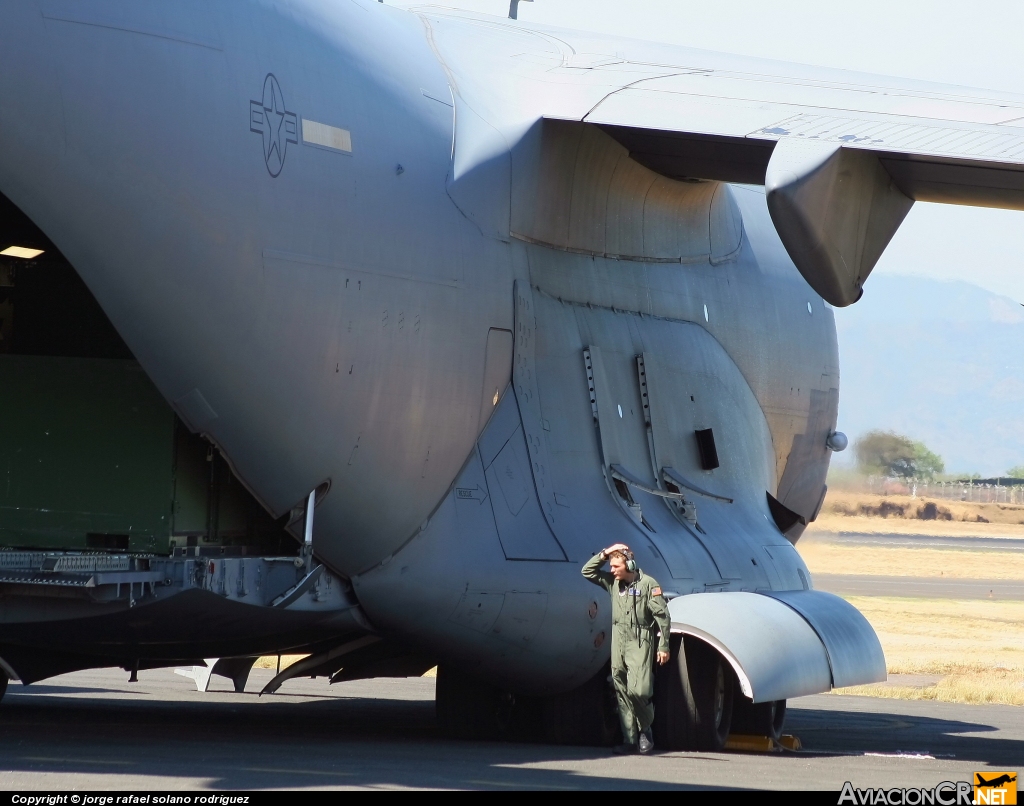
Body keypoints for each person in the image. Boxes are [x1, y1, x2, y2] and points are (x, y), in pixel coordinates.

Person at [582, 542, 671, 755]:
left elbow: (663, 616)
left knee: (638, 689)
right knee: (621, 689)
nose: (612, 570)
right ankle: (630, 739)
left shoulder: (649, 585)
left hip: (640, 640)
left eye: (616, 566)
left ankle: (645, 728)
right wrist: (604, 553)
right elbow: (587, 572)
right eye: (611, 566)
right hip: (618, 640)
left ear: (629, 564)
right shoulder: (613, 583)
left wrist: (664, 645)